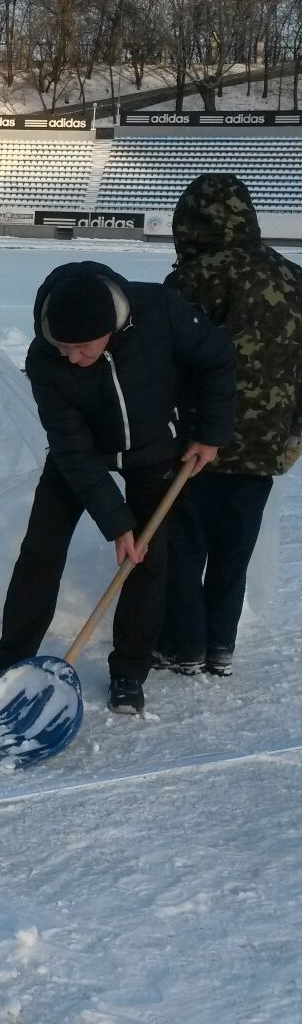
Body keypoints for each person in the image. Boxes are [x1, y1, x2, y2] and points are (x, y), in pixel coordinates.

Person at [0, 262, 236, 715]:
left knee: (146, 560)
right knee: (41, 548)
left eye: (82, 348)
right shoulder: (44, 358)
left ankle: (129, 672)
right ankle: (10, 658)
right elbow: (71, 449)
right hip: (81, 452)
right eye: (63, 347)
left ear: (111, 328)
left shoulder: (160, 311)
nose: (71, 358)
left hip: (154, 448)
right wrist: (117, 522)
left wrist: (211, 432)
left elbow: (217, 358)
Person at [155, 173, 302, 677]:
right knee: (233, 550)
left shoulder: (194, 279)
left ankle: (183, 646)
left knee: (184, 545)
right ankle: (221, 646)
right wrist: (294, 433)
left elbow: (168, 361)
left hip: (197, 439)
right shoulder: (294, 277)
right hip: (265, 443)